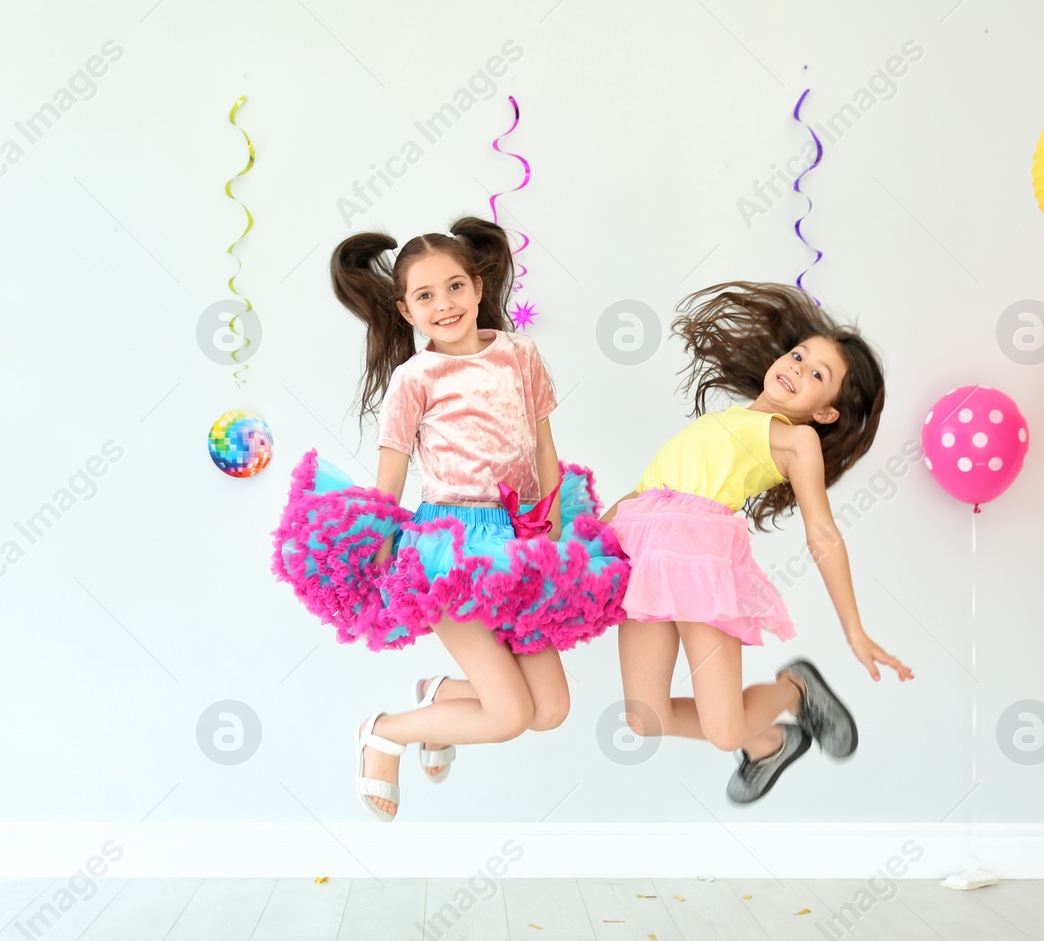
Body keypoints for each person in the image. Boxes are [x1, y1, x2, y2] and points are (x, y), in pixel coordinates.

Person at [271, 217, 629, 821]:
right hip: (448, 549)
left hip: (521, 540)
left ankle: (439, 700)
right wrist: (384, 556)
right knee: (510, 714)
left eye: (455, 286)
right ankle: (385, 732)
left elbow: (544, 447)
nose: (445, 304)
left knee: (549, 710)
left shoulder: (521, 354)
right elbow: (390, 477)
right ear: (405, 309)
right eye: (425, 295)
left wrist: (554, 533)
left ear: (479, 286)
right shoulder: (414, 378)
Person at [601, 281, 914, 803]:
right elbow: (636, 498)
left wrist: (854, 630)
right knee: (644, 718)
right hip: (644, 567)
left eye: (819, 374)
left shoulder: (797, 438)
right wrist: (571, 548)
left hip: (700, 566)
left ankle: (795, 689)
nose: (798, 368)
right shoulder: (720, 419)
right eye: (798, 355)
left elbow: (822, 533)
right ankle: (771, 741)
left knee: (724, 730)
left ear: (826, 412)